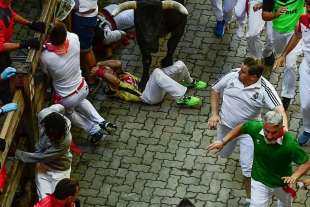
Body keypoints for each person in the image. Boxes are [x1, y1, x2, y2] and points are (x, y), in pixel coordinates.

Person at [207, 57, 287, 206]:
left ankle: (250, 199)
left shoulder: (265, 88)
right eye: (241, 68)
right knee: (222, 154)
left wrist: (285, 132)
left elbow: (280, 110)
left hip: (248, 133)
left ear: (253, 77)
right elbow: (215, 90)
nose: (239, 71)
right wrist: (214, 114)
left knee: (248, 169)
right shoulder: (232, 76)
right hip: (225, 127)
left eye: (243, 71)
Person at [208, 110, 310, 207]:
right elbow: (243, 127)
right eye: (267, 131)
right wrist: (223, 142)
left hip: (282, 184)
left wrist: (295, 176)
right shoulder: (256, 127)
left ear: (281, 128)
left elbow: (306, 162)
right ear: (263, 125)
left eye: (274, 132)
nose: (269, 136)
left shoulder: (290, 145)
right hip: (259, 179)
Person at [41, 22, 116, 145]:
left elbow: (46, 72)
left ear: (50, 38)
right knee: (81, 100)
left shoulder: (46, 57)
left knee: (69, 112)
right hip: (82, 87)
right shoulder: (74, 38)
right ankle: (102, 121)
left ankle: (94, 130)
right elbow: (65, 33)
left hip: (67, 98)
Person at [15, 104, 72, 199]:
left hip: (60, 170)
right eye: (50, 135)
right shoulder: (43, 115)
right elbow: (59, 107)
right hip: (43, 167)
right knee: (44, 200)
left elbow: (41, 157)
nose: (52, 138)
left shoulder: (65, 141)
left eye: (55, 136)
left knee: (59, 199)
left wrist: (17, 153)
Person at [92, 60, 207, 107]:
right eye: (108, 71)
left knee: (179, 64)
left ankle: (190, 82)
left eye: (110, 69)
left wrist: (100, 63)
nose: (111, 70)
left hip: (154, 87)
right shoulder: (111, 88)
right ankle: (181, 97)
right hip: (148, 97)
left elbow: (118, 63)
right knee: (157, 72)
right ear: (105, 76)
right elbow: (115, 81)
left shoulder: (120, 73)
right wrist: (99, 71)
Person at [274, 0, 310, 146]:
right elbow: (297, 36)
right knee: (306, 105)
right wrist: (283, 54)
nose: (308, 8)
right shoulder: (303, 20)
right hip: (307, 69)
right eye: (307, 5)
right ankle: (308, 129)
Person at [262, 0, 304, 110]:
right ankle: (269, 56)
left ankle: (287, 96)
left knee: (290, 65)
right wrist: (275, 14)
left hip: (295, 32)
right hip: (278, 30)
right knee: (279, 51)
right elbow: (265, 16)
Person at [0, 0, 45, 103]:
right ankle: (8, 108)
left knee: (8, 70)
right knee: (3, 84)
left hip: (4, 52)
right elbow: (1, 46)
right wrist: (23, 44)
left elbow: (10, 14)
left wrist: (30, 24)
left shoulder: (4, 3)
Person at [234, 0, 275, 66]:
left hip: (276, 5)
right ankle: (256, 58)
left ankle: (268, 53)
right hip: (257, 1)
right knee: (252, 34)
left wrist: (263, 4)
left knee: (271, 39)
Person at [72, 0, 98, 85]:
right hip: (88, 14)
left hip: (85, 18)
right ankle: (89, 75)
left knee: (86, 50)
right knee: (85, 50)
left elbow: (76, 5)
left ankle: (92, 79)